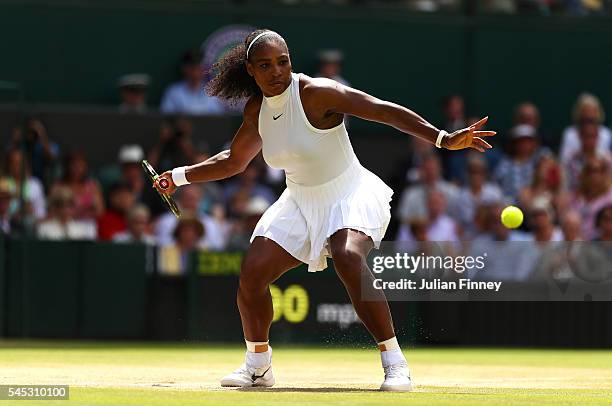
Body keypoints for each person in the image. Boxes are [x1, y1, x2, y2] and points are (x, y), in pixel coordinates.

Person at [153, 29, 495, 391]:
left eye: (283, 62)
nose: (277, 72)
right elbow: (234, 161)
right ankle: (258, 366)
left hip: (349, 193)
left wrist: (442, 138)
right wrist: (179, 176)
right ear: (251, 71)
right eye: (266, 66)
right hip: (298, 200)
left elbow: (380, 109)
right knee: (252, 272)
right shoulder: (257, 109)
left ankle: (395, 362)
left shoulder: (318, 93)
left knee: (347, 257)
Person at [160, 49, 226, 115]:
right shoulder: (174, 92)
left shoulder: (213, 92)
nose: (196, 71)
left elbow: (219, 120)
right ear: (184, 69)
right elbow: (166, 119)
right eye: (193, 67)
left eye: (199, 66)